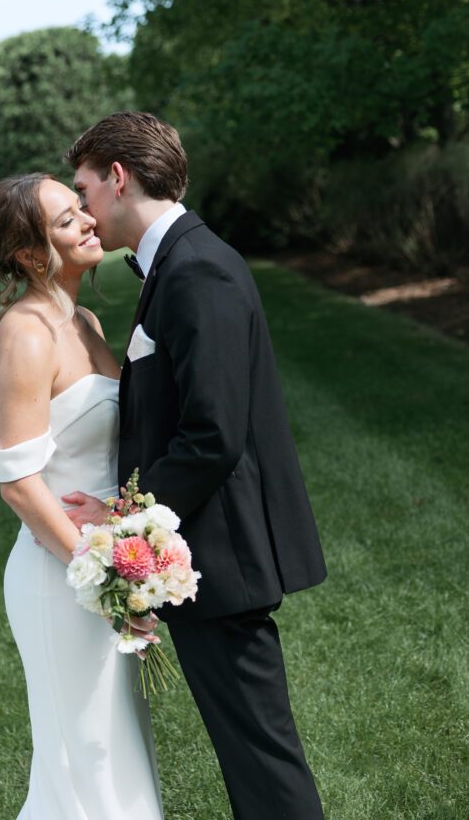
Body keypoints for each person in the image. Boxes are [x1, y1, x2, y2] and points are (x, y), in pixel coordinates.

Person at [62, 111, 327, 820]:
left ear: (117, 179)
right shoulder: (177, 262)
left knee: (262, 761)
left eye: (83, 189)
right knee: (251, 756)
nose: (82, 207)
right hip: (210, 552)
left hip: (222, 555)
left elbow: (213, 434)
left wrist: (125, 530)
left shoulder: (197, 267)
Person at [0, 174, 163, 820]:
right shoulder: (25, 336)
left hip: (103, 557)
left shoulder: (85, 320)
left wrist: (130, 553)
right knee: (83, 763)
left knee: (116, 751)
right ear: (26, 253)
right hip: (60, 576)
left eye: (80, 210)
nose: (88, 222)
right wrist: (102, 582)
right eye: (67, 219)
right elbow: (19, 482)